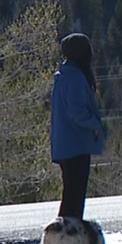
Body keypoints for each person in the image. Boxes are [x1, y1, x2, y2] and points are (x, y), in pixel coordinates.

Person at [50, 32, 105, 219]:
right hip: (76, 146)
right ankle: (69, 237)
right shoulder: (75, 77)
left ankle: (64, 236)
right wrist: (95, 124)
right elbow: (77, 112)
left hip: (65, 146)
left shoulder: (63, 76)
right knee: (74, 198)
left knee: (70, 196)